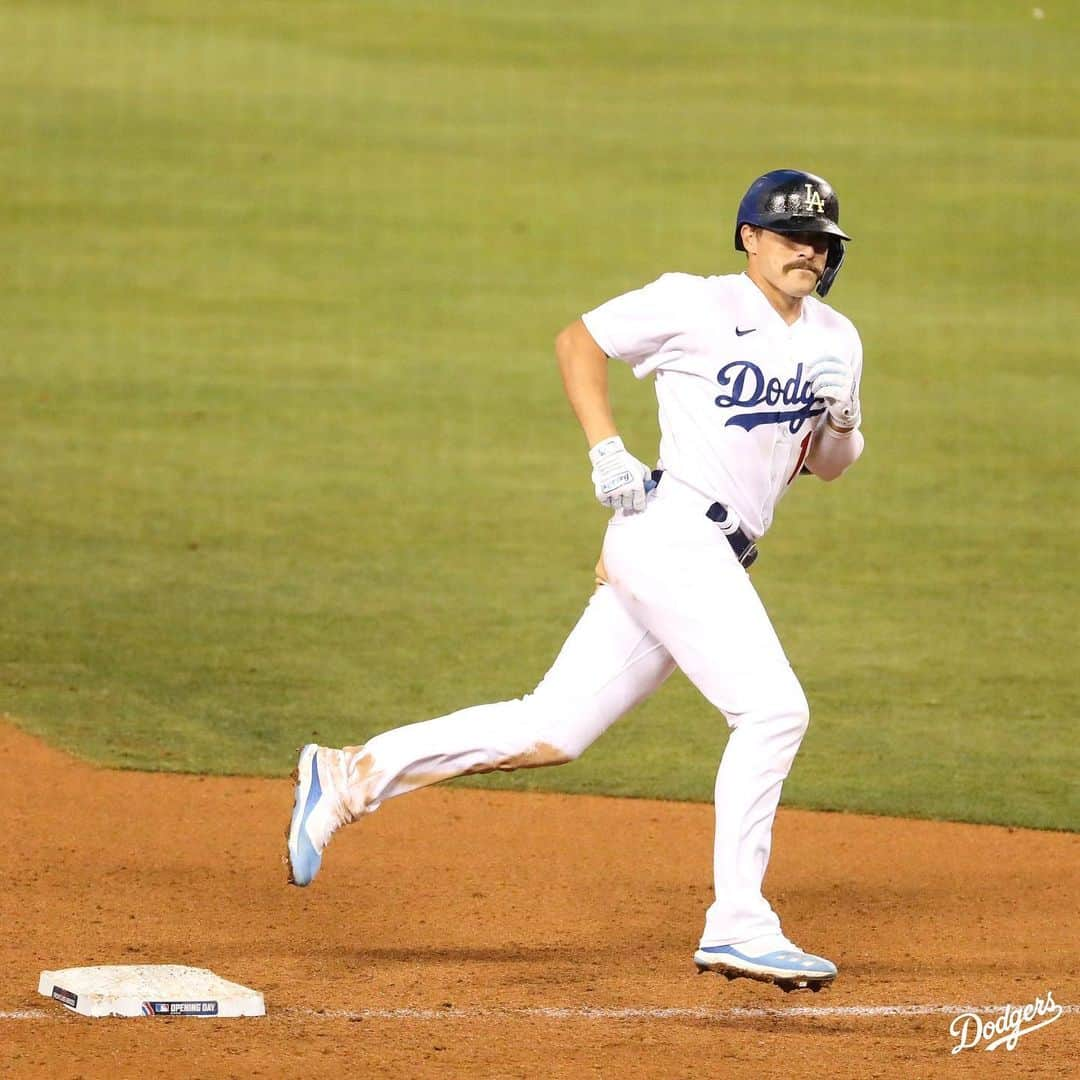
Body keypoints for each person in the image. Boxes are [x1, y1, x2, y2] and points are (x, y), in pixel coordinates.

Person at [286, 169, 865, 993]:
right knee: (774, 710)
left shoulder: (838, 338)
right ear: (750, 238)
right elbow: (578, 340)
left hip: (700, 553)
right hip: (670, 533)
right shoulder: (694, 304)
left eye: (822, 242)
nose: (809, 251)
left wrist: (842, 418)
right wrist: (605, 446)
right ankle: (740, 921)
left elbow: (831, 467)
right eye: (792, 236)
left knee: (550, 729)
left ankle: (350, 775)